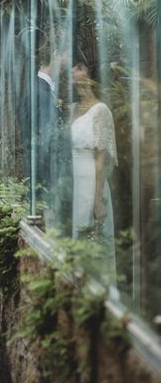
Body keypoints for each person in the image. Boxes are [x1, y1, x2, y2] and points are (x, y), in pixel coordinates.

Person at [71, 62, 117, 273]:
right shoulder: (73, 109)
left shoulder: (101, 110)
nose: (75, 73)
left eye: (80, 68)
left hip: (92, 182)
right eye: (73, 70)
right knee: (79, 241)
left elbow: (101, 157)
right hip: (76, 184)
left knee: (95, 241)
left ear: (91, 76)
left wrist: (98, 198)